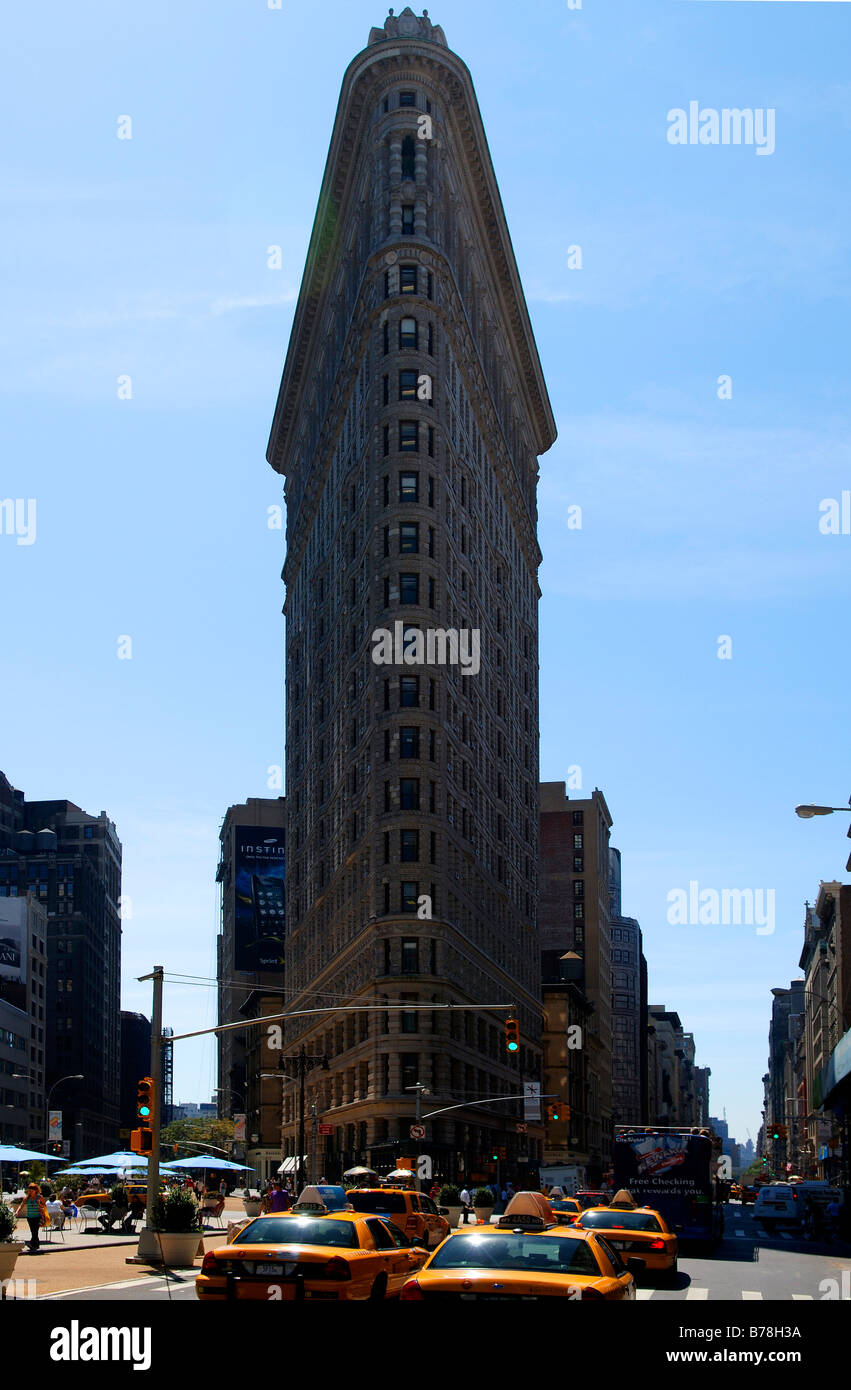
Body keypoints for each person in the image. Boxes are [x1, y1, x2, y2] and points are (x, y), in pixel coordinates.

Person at [16, 1183, 49, 1250]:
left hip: (37, 1216)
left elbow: (44, 1206)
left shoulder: (39, 1197)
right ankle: (36, 1245)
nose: (30, 1192)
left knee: (35, 1231)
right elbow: (21, 1205)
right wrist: (17, 1212)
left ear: (35, 1190)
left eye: (31, 1190)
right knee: (33, 1231)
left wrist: (40, 1205)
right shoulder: (27, 1198)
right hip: (29, 1216)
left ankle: (32, 1244)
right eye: (29, 1190)